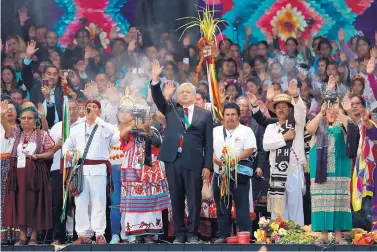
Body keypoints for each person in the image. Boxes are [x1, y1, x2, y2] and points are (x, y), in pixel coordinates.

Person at [150, 59, 213, 244]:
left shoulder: (205, 115)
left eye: (188, 92)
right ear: (177, 96)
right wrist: (155, 80)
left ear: (195, 96)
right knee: (175, 198)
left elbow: (209, 143)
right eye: (181, 92)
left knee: (194, 199)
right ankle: (179, 234)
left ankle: (192, 233)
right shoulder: (171, 109)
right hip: (173, 159)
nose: (184, 94)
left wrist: (207, 165)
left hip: (194, 161)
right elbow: (158, 99)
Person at [62, 99, 119, 244]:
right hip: (81, 169)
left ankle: (99, 234)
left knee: (99, 202)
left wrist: (96, 119)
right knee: (80, 202)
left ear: (99, 111)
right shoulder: (77, 127)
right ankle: (82, 235)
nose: (91, 109)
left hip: (99, 169)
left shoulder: (105, 126)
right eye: (89, 107)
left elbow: (114, 137)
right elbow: (66, 145)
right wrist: (68, 153)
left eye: (95, 107)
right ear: (84, 110)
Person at [1, 101, 55, 245]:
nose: (26, 121)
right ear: (20, 120)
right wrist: (1, 115)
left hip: (35, 173)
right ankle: (23, 237)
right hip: (18, 173)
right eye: (24, 118)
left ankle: (33, 237)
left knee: (35, 202)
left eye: (30, 118)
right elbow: (6, 127)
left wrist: (39, 156)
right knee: (20, 202)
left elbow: (51, 151)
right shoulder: (17, 133)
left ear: (35, 121)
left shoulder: (42, 134)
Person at [306, 85, 355, 244]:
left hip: (340, 169)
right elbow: (309, 128)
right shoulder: (319, 122)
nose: (330, 107)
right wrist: (321, 113)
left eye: (333, 103)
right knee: (321, 202)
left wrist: (339, 112)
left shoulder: (342, 122)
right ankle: (324, 235)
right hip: (322, 171)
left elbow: (352, 129)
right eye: (327, 104)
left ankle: (339, 235)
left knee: (339, 201)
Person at [120, 106, 170, 243]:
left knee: (151, 202)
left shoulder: (153, 129)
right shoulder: (129, 131)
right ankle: (137, 234)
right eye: (138, 117)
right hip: (131, 170)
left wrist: (146, 129)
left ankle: (150, 234)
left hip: (149, 170)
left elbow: (157, 142)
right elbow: (122, 135)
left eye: (143, 117)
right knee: (133, 203)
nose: (141, 120)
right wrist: (132, 125)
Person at [263, 80, 307, 226]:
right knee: (278, 210)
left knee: (295, 207)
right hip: (276, 172)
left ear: (290, 109)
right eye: (278, 107)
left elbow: (301, 111)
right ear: (274, 110)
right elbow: (266, 145)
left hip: (294, 170)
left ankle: (296, 237)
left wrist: (295, 96)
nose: (281, 110)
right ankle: (279, 236)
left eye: (284, 107)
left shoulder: (297, 124)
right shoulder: (271, 127)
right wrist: (284, 137)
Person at [212, 102, 256, 243]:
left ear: (238, 116)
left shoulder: (246, 131)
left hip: (239, 174)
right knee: (222, 206)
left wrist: (233, 159)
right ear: (223, 116)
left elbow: (250, 149)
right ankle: (223, 235)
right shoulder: (215, 131)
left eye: (233, 115)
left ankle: (244, 235)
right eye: (227, 115)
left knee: (242, 206)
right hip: (220, 174)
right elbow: (209, 150)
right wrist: (219, 162)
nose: (230, 118)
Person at [49, 99, 82, 245]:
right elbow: (49, 149)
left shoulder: (83, 125)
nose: (72, 111)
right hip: (58, 167)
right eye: (69, 108)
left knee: (77, 202)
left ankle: (77, 235)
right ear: (63, 111)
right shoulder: (56, 127)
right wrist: (58, 144)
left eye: (75, 108)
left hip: (76, 167)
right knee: (57, 203)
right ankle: (59, 236)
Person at [0, 99, 18, 245]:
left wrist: (2, 116)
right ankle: (3, 233)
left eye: (12, 109)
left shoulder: (18, 129)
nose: (9, 111)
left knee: (13, 199)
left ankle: (15, 233)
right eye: (7, 108)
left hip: (12, 163)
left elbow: (8, 129)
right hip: (1, 163)